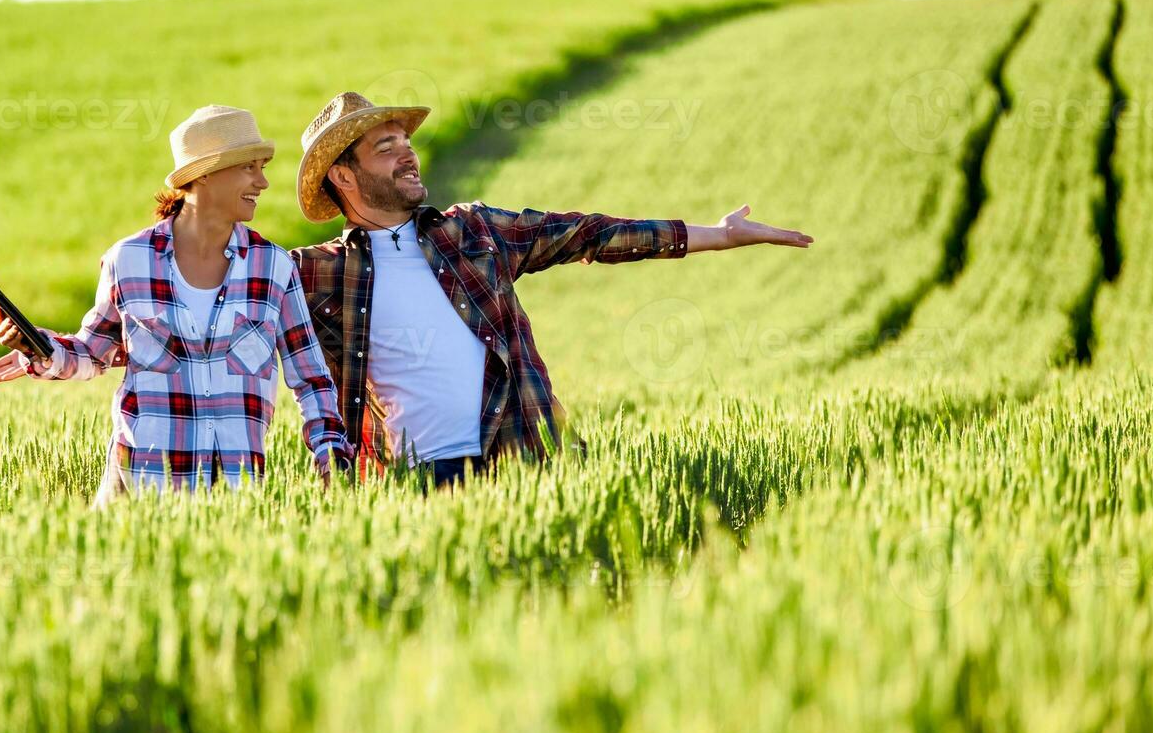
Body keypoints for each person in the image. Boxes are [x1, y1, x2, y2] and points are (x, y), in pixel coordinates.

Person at [289, 91, 813, 488]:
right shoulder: (318, 274)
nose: (409, 155)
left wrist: (718, 236)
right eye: (387, 147)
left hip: (524, 464)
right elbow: (225, 300)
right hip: (418, 486)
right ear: (344, 176)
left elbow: (589, 233)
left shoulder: (474, 232)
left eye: (408, 142)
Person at [0, 105, 352, 505]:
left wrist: (330, 455)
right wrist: (38, 347)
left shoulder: (274, 267)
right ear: (204, 173)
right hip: (138, 494)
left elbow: (311, 379)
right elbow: (91, 354)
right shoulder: (128, 261)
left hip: (237, 498)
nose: (263, 181)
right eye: (249, 168)